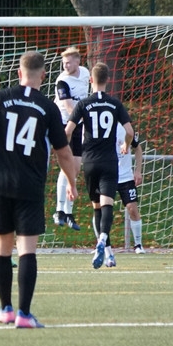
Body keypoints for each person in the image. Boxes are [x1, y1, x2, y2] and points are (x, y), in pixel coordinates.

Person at [0, 51, 78, 329]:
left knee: (2, 248)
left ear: (19, 73)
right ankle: (24, 314)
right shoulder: (48, 107)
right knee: (27, 249)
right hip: (30, 185)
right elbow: (64, 153)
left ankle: (6, 309)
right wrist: (72, 182)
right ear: (43, 76)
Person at [64, 63, 133, 269]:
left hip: (90, 161)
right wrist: (126, 144)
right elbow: (129, 132)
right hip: (109, 161)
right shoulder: (115, 104)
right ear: (107, 80)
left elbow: (68, 131)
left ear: (90, 80)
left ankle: (109, 254)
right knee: (107, 204)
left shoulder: (83, 104)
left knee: (96, 207)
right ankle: (103, 240)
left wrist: (65, 152)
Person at [52, 46, 90, 231]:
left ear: (77, 62)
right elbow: (68, 107)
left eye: (68, 63)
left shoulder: (85, 73)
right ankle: (59, 210)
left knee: (75, 168)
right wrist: (86, 118)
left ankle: (69, 212)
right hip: (63, 124)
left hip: (78, 125)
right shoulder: (62, 81)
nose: (65, 66)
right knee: (66, 165)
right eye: (63, 63)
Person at [114, 123, 145, 257]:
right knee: (101, 208)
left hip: (125, 177)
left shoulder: (125, 129)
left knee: (132, 209)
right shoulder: (100, 129)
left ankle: (138, 244)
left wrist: (138, 171)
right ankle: (101, 244)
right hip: (107, 176)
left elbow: (138, 148)